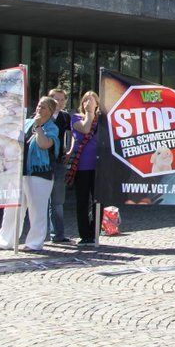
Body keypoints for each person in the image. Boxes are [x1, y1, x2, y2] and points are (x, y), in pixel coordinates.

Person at [0, 96, 60, 251]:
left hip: (40, 173)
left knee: (37, 210)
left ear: (50, 111)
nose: (39, 109)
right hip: (19, 171)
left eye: (43, 107)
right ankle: (5, 241)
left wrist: (39, 127)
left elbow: (44, 144)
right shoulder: (26, 123)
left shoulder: (52, 128)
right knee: (12, 208)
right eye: (38, 105)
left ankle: (34, 243)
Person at [66, 91, 101, 246]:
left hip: (99, 166)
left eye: (91, 100)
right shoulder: (75, 118)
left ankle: (95, 232)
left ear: (97, 103)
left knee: (98, 201)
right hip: (82, 166)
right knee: (82, 200)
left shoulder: (102, 120)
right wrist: (89, 113)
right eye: (86, 100)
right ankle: (85, 234)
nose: (88, 103)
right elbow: (86, 129)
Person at [46, 87, 72, 243]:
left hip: (59, 161)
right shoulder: (42, 115)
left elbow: (71, 134)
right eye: (56, 99)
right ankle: (37, 236)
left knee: (57, 200)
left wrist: (69, 150)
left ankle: (57, 235)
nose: (60, 102)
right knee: (38, 201)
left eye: (62, 100)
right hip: (42, 162)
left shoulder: (65, 117)